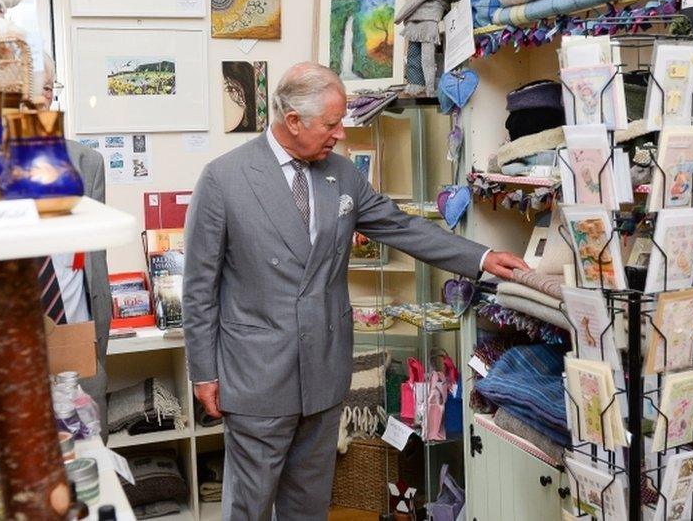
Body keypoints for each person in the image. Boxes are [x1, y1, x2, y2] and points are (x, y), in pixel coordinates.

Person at [183, 62, 528, 520]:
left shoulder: (342, 175)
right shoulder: (224, 179)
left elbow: (402, 227)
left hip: (324, 372)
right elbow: (199, 287)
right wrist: (204, 372)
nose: (340, 134)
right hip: (256, 376)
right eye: (330, 123)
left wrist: (482, 258)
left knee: (309, 506)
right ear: (293, 121)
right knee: (247, 508)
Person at [38, 55, 112, 440]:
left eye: (46, 89)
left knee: (91, 463)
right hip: (12, 343)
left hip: (80, 342)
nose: (37, 101)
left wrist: (97, 345)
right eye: (22, 92)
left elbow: (93, 258)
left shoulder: (87, 164)